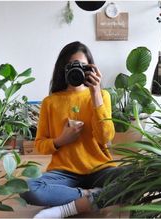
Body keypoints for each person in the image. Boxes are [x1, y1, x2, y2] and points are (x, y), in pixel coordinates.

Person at [20, 41, 119, 218]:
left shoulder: (102, 96)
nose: (76, 70)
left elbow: (106, 138)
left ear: (91, 69)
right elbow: (39, 145)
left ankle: (67, 208)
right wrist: (60, 141)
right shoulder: (50, 102)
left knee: (137, 179)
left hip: (100, 168)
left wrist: (96, 94)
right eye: (70, 66)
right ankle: (91, 196)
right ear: (62, 69)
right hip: (64, 173)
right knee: (26, 188)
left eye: (81, 66)